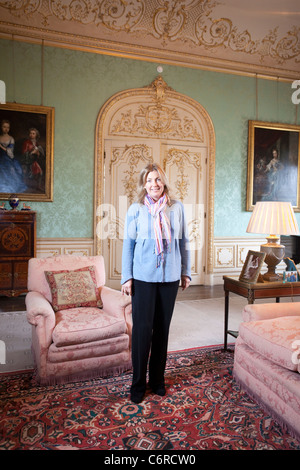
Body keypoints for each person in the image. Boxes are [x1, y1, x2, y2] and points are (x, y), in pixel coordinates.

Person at [121, 162, 191, 403]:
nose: (154, 184)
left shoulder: (177, 208)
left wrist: (186, 272)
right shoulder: (135, 209)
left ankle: (158, 381)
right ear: (144, 184)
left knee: (162, 330)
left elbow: (184, 242)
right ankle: (138, 384)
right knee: (141, 332)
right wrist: (126, 277)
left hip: (169, 278)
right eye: (150, 180)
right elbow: (128, 245)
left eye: (158, 180)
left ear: (164, 182)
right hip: (142, 278)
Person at [0, 119, 27, 193]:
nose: (6, 129)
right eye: (4, 127)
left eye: (7, 127)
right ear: (1, 127)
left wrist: (1, 146)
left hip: (8, 157)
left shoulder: (11, 139)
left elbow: (10, 151)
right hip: (0, 158)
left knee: (11, 169)